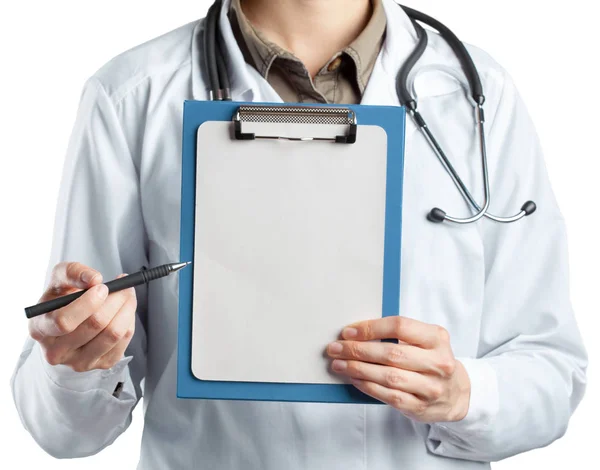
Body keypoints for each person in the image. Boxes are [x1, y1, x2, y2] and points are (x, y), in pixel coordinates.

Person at [11, 0, 587, 468]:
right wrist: (74, 361)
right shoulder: (132, 96)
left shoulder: (475, 92)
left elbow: (551, 370)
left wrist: (463, 394)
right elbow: (64, 433)